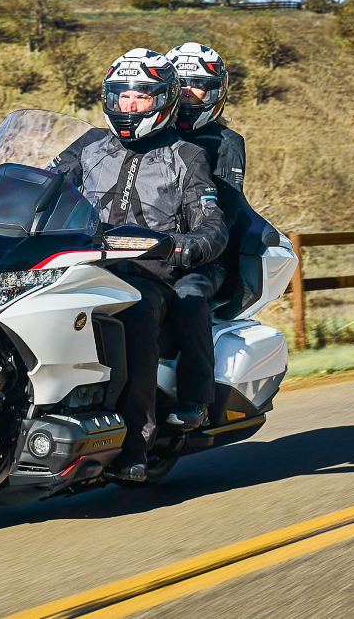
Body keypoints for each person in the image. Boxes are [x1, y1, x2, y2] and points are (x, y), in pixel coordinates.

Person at [49, 48, 229, 481]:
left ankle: (135, 445)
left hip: (148, 274)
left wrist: (188, 245)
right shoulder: (89, 144)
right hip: (80, 261)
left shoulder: (186, 154)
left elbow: (212, 218)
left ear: (163, 100)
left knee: (137, 315)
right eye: (122, 96)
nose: (129, 106)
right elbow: (47, 183)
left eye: (141, 97)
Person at [162, 42, 247, 429]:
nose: (187, 92)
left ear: (215, 92)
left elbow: (224, 212)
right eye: (181, 82)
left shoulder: (226, 143)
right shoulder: (152, 134)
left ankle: (195, 399)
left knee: (188, 296)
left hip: (205, 257)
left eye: (197, 85)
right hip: (144, 248)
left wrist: (190, 245)